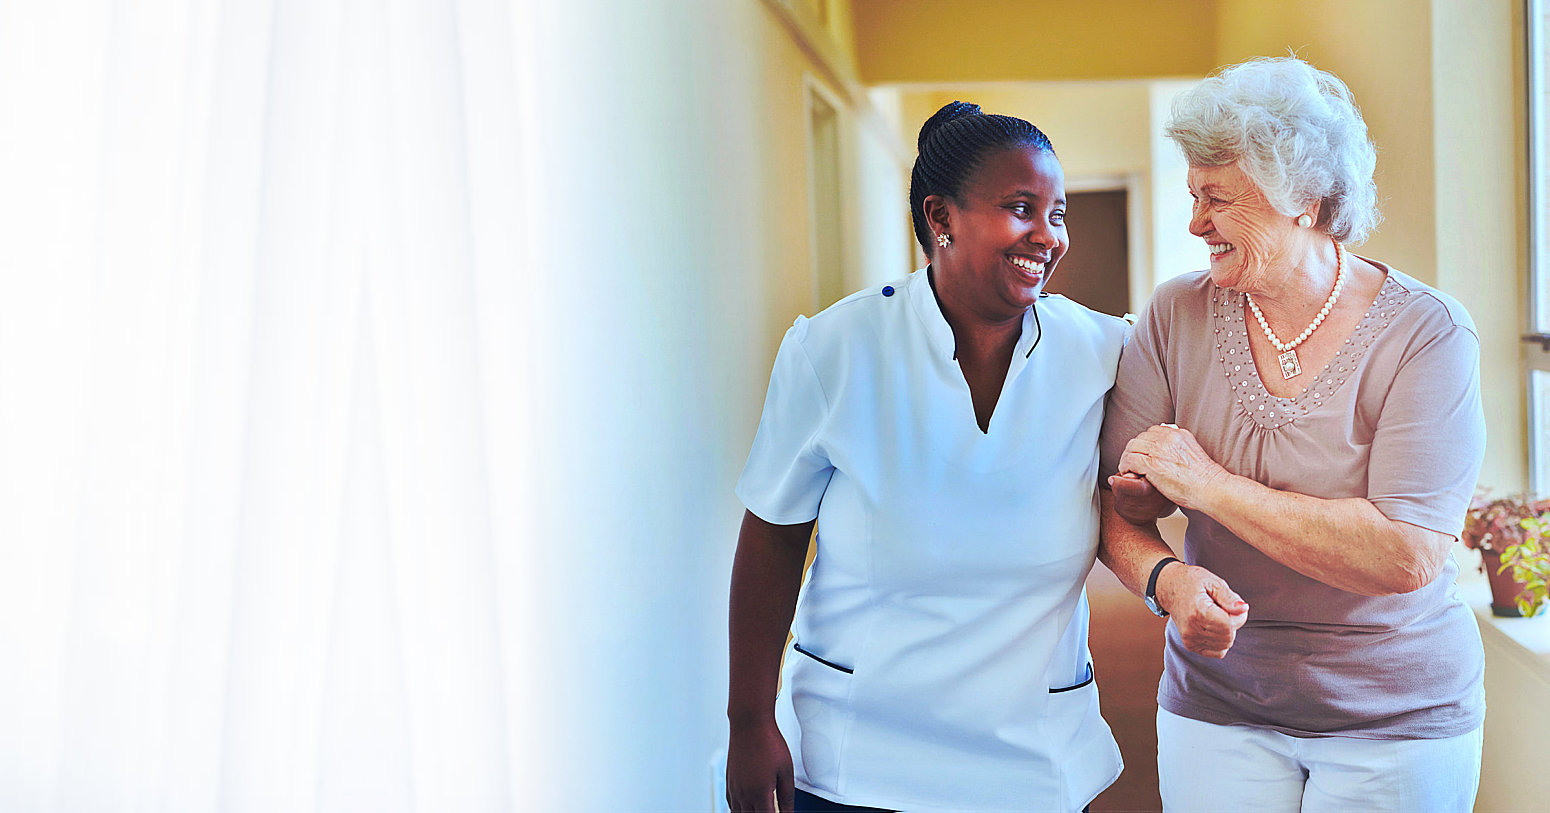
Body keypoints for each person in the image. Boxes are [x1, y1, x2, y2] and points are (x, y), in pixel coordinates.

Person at [725, 101, 1238, 813]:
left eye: (1057, 213)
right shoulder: (836, 350)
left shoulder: (1103, 352)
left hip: (1035, 758)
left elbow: (1151, 473)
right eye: (1020, 208)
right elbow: (773, 537)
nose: (1047, 236)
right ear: (942, 217)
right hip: (858, 757)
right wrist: (748, 721)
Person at [1100, 56, 1487, 812]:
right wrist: (1166, 578)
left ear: (1303, 198)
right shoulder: (1175, 314)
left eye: (1218, 198)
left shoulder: (1427, 333)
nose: (1194, 223)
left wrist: (1207, 485)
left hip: (1397, 719)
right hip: (1217, 703)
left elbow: (1405, 552)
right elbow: (1118, 506)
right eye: (1191, 195)